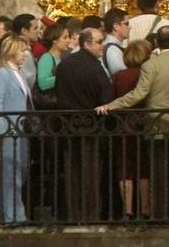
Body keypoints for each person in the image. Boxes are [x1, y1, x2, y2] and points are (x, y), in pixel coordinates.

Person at [101, 26, 169, 221]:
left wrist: (112, 104)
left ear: (157, 44)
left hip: (157, 123)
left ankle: (160, 212)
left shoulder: (151, 65)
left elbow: (138, 94)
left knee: (159, 170)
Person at [55, 28, 115, 221]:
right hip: (91, 128)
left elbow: (59, 95)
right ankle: (90, 214)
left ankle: (74, 214)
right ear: (86, 43)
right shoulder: (95, 68)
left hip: (69, 126)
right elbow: (106, 97)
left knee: (72, 173)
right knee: (91, 174)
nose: (102, 46)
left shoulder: (65, 64)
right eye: (99, 42)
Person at [0, 36, 32, 224]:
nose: (26, 54)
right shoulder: (3, 73)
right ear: (12, 50)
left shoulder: (17, 73)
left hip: (20, 130)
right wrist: (1, 128)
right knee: (11, 172)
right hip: (9, 130)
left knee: (20, 170)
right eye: (22, 50)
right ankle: (14, 215)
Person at [111, 40, 153, 220]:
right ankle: (145, 209)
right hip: (143, 123)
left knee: (124, 168)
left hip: (123, 124)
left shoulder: (119, 76)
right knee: (144, 167)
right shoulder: (146, 73)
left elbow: (112, 95)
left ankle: (127, 210)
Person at [34, 19, 78, 107]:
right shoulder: (46, 58)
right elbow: (43, 84)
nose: (68, 41)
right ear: (54, 40)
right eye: (65, 37)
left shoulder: (61, 58)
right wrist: (65, 77)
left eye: (69, 37)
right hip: (51, 107)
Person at [101, 8, 130, 76]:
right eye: (126, 24)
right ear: (116, 27)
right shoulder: (113, 50)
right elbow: (122, 78)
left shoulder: (112, 47)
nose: (130, 27)